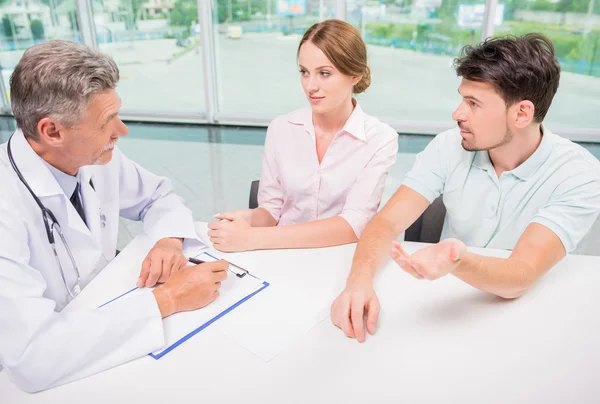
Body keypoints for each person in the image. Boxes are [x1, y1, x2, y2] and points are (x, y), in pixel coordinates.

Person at [331, 33, 600, 343]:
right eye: (462, 98)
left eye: (473, 103)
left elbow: (522, 274)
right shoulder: (449, 146)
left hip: (524, 321)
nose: (457, 113)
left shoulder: (579, 175)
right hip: (442, 304)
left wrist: (459, 260)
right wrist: (358, 281)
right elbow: (387, 222)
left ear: (522, 113)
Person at [0, 40, 228, 392]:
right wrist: (168, 299)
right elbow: (32, 358)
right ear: (52, 131)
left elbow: (158, 196)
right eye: (107, 121)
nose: (122, 131)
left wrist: (168, 241)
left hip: (109, 314)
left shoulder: (93, 156)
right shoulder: (6, 205)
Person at [207, 20, 398, 252]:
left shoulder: (380, 139)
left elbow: (353, 224)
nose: (310, 86)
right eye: (304, 72)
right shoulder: (281, 128)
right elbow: (271, 210)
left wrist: (254, 239)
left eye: (324, 73)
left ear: (355, 75)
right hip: (282, 255)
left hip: (340, 257)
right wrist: (247, 219)